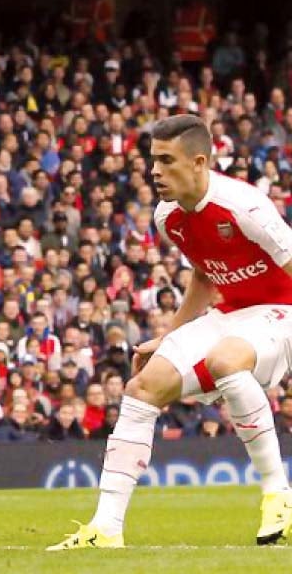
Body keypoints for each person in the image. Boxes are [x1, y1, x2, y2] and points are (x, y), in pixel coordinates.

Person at [49, 115, 292, 550]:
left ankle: (279, 496)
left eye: (166, 160)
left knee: (224, 361)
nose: (155, 171)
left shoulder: (244, 207)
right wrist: (169, 335)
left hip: (281, 310)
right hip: (232, 314)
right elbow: (204, 276)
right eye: (152, 160)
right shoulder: (168, 217)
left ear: (199, 162)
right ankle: (105, 528)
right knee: (143, 387)